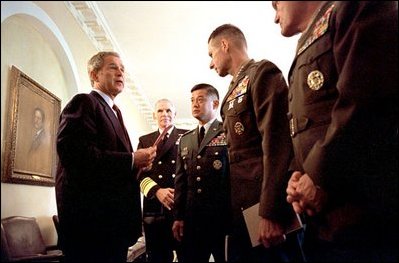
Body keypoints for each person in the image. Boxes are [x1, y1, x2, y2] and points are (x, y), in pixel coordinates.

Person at [272, 1, 398, 262]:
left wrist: (318, 176)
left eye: (276, 4)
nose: (275, 17)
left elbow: (366, 101)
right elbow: (306, 126)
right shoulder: (310, 39)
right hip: (323, 220)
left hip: (363, 217)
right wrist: (298, 178)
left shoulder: (356, 6)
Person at [207, 24, 304, 262]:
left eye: (211, 54)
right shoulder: (234, 87)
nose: (211, 63)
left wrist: (271, 212)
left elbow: (277, 143)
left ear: (224, 45)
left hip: (264, 208)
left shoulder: (261, 73)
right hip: (244, 208)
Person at [55, 51, 157, 262]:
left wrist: (138, 166)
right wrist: (131, 159)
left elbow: (111, 165)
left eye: (122, 69)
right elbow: (75, 155)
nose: (120, 72)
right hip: (92, 227)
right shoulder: (84, 102)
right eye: (113, 67)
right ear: (94, 74)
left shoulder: (115, 112)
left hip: (113, 225)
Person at [172, 83, 231, 262]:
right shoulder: (185, 139)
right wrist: (178, 217)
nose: (194, 104)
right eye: (192, 101)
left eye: (200, 100)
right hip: (192, 221)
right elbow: (181, 182)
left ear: (214, 104)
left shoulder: (227, 132)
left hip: (222, 219)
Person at [137, 98, 188, 262]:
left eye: (168, 110)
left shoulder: (188, 136)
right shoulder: (145, 141)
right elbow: (139, 176)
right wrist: (156, 191)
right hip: (154, 208)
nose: (164, 114)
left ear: (175, 114)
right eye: (160, 111)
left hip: (181, 207)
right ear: (154, 115)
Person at [27, 107, 51, 173]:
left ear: (43, 121)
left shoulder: (43, 136)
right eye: (35, 117)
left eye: (39, 118)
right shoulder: (35, 135)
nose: (36, 120)